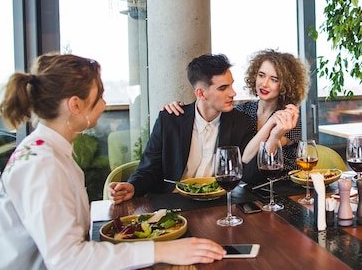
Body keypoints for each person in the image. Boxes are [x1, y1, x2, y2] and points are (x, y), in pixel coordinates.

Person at [0, 54, 225, 270]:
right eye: (99, 96)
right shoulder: (43, 165)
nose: (104, 103)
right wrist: (163, 250)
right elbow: (66, 260)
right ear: (75, 105)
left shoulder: (48, 150)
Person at [108, 54, 261, 204]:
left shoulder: (241, 122)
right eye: (223, 88)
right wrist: (132, 186)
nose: (233, 93)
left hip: (220, 203)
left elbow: (248, 173)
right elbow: (148, 168)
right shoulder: (170, 119)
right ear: (201, 93)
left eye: (231, 85)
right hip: (174, 201)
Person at [165, 49, 309, 172]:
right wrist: (181, 108)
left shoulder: (289, 117)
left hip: (283, 184)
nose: (264, 84)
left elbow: (260, 155)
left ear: (285, 85)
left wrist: (271, 124)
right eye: (261, 75)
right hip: (248, 186)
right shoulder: (243, 110)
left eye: (274, 79)